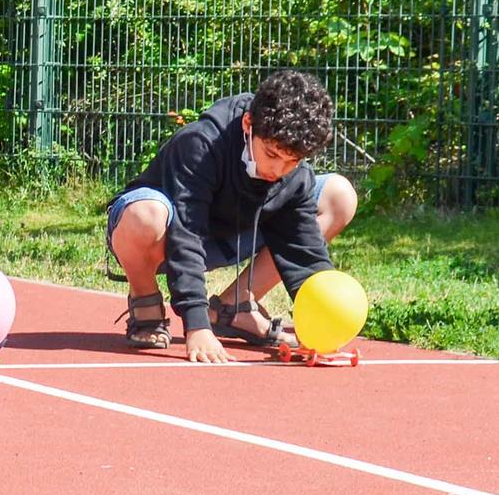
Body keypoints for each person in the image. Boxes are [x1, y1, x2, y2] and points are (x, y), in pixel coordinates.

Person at [105, 69, 358, 364]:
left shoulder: (294, 175)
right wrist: (197, 325)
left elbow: (302, 251)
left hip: (232, 233)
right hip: (161, 233)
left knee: (339, 196)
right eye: (272, 155)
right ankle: (145, 302)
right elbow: (187, 232)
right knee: (145, 215)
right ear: (248, 124)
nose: (277, 171)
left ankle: (235, 304)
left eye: (291, 161)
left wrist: (321, 325)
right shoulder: (200, 144)